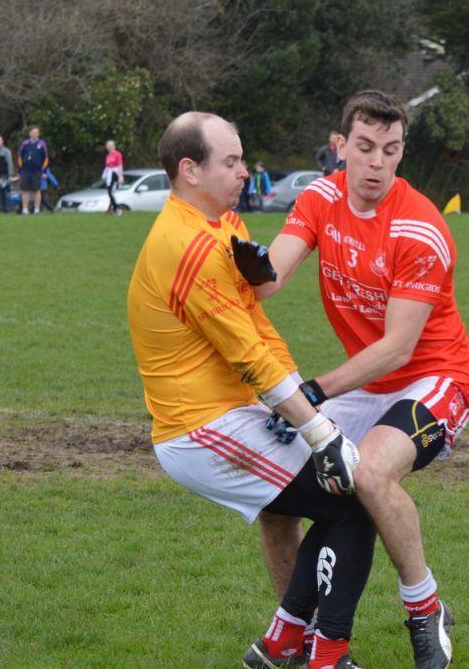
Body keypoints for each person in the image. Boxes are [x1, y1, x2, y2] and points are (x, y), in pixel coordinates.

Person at [238, 90, 469, 669]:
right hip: (367, 383)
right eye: (365, 148)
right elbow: (270, 280)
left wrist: (312, 392)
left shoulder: (421, 229)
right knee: (276, 504)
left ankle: (426, 610)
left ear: (402, 152)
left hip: (435, 378)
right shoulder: (319, 197)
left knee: (370, 476)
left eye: (390, 150)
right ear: (340, 146)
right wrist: (238, 256)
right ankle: (305, 638)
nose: (376, 163)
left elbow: (397, 350)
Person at [127, 111, 373, 669]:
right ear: (190, 170)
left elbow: (259, 329)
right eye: (232, 161)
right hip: (200, 429)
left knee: (321, 506)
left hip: (229, 414)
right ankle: (323, 653)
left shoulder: (226, 226)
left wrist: (305, 406)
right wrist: (319, 431)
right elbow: (247, 355)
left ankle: (287, 643)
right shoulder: (187, 245)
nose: (245, 171)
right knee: (355, 504)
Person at [17, 126, 49, 215]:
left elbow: (46, 158)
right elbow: (20, 157)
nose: (34, 134)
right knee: (25, 190)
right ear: (30, 133)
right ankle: (25, 209)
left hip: (37, 171)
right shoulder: (25, 143)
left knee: (37, 190)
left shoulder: (42, 144)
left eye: (36, 132)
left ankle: (36, 209)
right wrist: (20, 170)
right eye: (33, 132)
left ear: (38, 134)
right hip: (25, 171)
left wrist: (44, 171)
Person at [103, 140, 124, 216]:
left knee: (110, 192)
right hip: (109, 174)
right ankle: (111, 209)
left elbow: (120, 165)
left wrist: (120, 176)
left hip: (115, 174)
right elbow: (107, 167)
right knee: (110, 192)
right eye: (108, 146)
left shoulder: (117, 154)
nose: (109, 147)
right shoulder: (108, 156)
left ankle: (117, 208)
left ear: (114, 146)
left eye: (111, 145)